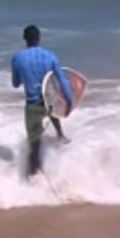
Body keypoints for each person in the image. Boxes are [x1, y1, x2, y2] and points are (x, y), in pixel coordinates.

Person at [11, 25, 73, 178]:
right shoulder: (50, 56)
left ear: (25, 39)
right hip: (49, 102)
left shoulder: (17, 58)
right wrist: (69, 100)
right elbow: (62, 80)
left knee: (35, 146)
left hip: (32, 105)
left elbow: (15, 83)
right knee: (51, 107)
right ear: (39, 38)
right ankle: (60, 134)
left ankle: (33, 177)